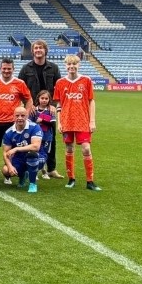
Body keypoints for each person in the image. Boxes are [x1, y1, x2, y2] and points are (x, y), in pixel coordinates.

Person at [0, 57, 33, 183]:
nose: (6, 71)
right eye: (4, 68)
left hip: (13, 122)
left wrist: (25, 114)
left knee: (12, 149)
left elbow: (29, 99)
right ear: (0, 68)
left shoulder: (19, 83)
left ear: (13, 69)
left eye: (9, 69)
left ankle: (8, 174)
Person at [53, 54, 101, 191]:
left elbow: (91, 101)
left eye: (74, 64)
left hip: (83, 121)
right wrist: (59, 123)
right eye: (69, 64)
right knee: (69, 148)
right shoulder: (60, 83)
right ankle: (71, 179)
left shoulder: (86, 80)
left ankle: (90, 181)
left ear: (78, 65)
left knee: (86, 148)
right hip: (67, 121)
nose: (71, 67)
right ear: (65, 66)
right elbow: (59, 104)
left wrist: (92, 121)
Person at [19, 39, 64, 178]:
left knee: (51, 139)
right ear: (32, 51)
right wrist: (29, 104)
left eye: (41, 48)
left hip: (49, 109)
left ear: (45, 51)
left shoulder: (54, 68)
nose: (38, 50)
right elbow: (20, 89)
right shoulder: (26, 69)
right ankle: (30, 166)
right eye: (36, 48)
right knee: (31, 138)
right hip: (32, 110)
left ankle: (51, 168)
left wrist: (52, 104)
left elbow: (59, 89)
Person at [1, 106, 45, 193]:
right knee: (5, 170)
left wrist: (17, 148)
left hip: (38, 156)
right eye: (17, 116)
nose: (20, 118)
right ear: (13, 116)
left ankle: (32, 184)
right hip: (19, 158)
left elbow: (36, 147)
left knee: (31, 155)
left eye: (22, 115)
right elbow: (6, 153)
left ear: (27, 116)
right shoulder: (9, 132)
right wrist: (10, 166)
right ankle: (22, 176)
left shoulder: (34, 127)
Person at [33, 90, 56, 179]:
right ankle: (35, 172)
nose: (44, 100)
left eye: (46, 98)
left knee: (44, 155)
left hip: (47, 137)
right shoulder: (34, 110)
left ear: (49, 100)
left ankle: (44, 171)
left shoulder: (50, 110)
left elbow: (52, 123)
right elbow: (30, 122)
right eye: (42, 98)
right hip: (35, 137)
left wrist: (42, 120)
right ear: (38, 99)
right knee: (36, 154)